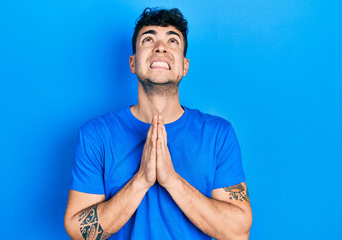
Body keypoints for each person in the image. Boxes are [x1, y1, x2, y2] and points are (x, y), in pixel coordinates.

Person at [64, 7, 252, 240]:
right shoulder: (96, 135)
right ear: (133, 63)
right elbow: (79, 232)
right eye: (148, 39)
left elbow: (238, 232)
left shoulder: (218, 135)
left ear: (184, 66)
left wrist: (171, 180)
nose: (160, 47)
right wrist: (141, 180)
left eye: (172, 41)